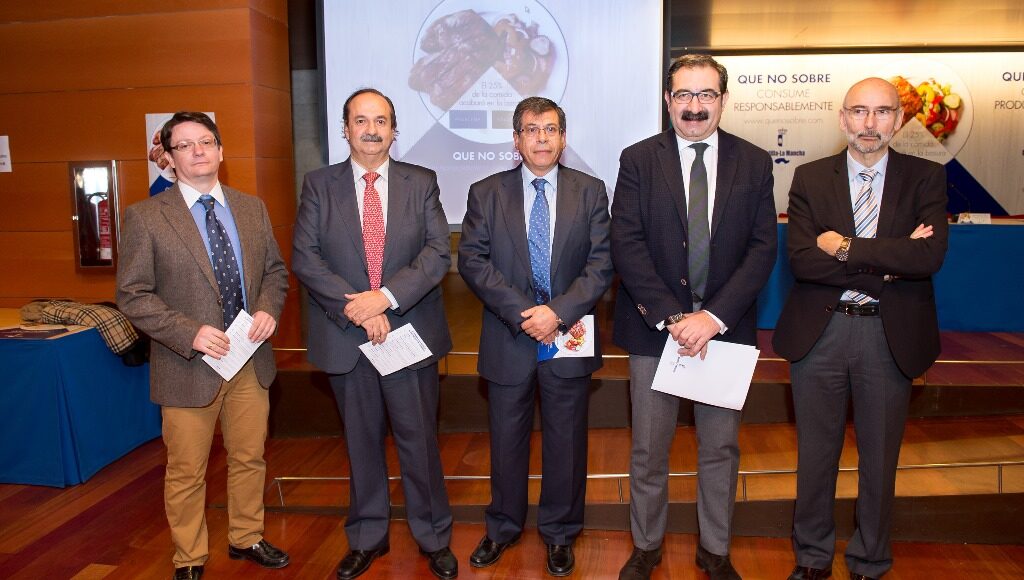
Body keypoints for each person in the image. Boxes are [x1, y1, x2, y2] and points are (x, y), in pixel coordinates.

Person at [773, 77, 948, 580]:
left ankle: (870, 560)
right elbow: (803, 261)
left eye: (882, 111)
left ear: (899, 119)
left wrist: (845, 247)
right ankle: (812, 557)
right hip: (821, 335)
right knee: (816, 456)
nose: (870, 124)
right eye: (859, 111)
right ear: (842, 117)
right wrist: (888, 264)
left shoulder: (925, 177)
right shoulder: (810, 177)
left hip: (888, 337)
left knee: (880, 459)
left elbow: (927, 257)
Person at [611, 54, 777, 580]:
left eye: (706, 95)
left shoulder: (754, 162)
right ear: (668, 100)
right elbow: (627, 243)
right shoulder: (638, 159)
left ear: (723, 100)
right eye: (684, 94)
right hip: (654, 331)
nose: (695, 106)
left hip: (725, 332)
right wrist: (673, 317)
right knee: (648, 450)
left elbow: (762, 249)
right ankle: (646, 546)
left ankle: (715, 550)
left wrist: (713, 318)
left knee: (721, 448)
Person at [291, 88, 456, 580]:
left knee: (419, 441)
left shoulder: (420, 181)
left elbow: (436, 253)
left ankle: (433, 536)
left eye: (380, 121)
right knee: (360, 443)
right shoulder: (319, 185)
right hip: (347, 336)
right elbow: (306, 258)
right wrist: (359, 308)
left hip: (408, 333)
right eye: (360, 120)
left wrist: (384, 298)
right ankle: (366, 536)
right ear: (345, 129)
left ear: (394, 130)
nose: (370, 129)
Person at [117, 111, 290, 580]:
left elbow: (275, 272)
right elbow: (132, 295)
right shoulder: (146, 217)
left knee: (249, 458)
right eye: (185, 145)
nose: (198, 151)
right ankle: (189, 557)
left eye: (206, 142)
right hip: (186, 364)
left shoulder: (251, 208)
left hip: (249, 360)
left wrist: (268, 309)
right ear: (169, 158)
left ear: (220, 150)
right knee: (187, 470)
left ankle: (246, 537)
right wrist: (188, 332)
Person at [458, 96, 613, 577]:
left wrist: (558, 314)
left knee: (566, 442)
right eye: (531, 129)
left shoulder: (591, 191)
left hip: (568, 334)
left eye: (550, 129)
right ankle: (503, 527)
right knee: (506, 441)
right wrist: (526, 314)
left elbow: (601, 264)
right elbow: (472, 260)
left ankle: (561, 532)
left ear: (563, 138)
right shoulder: (486, 192)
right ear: (516, 139)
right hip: (510, 335)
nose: (541, 138)